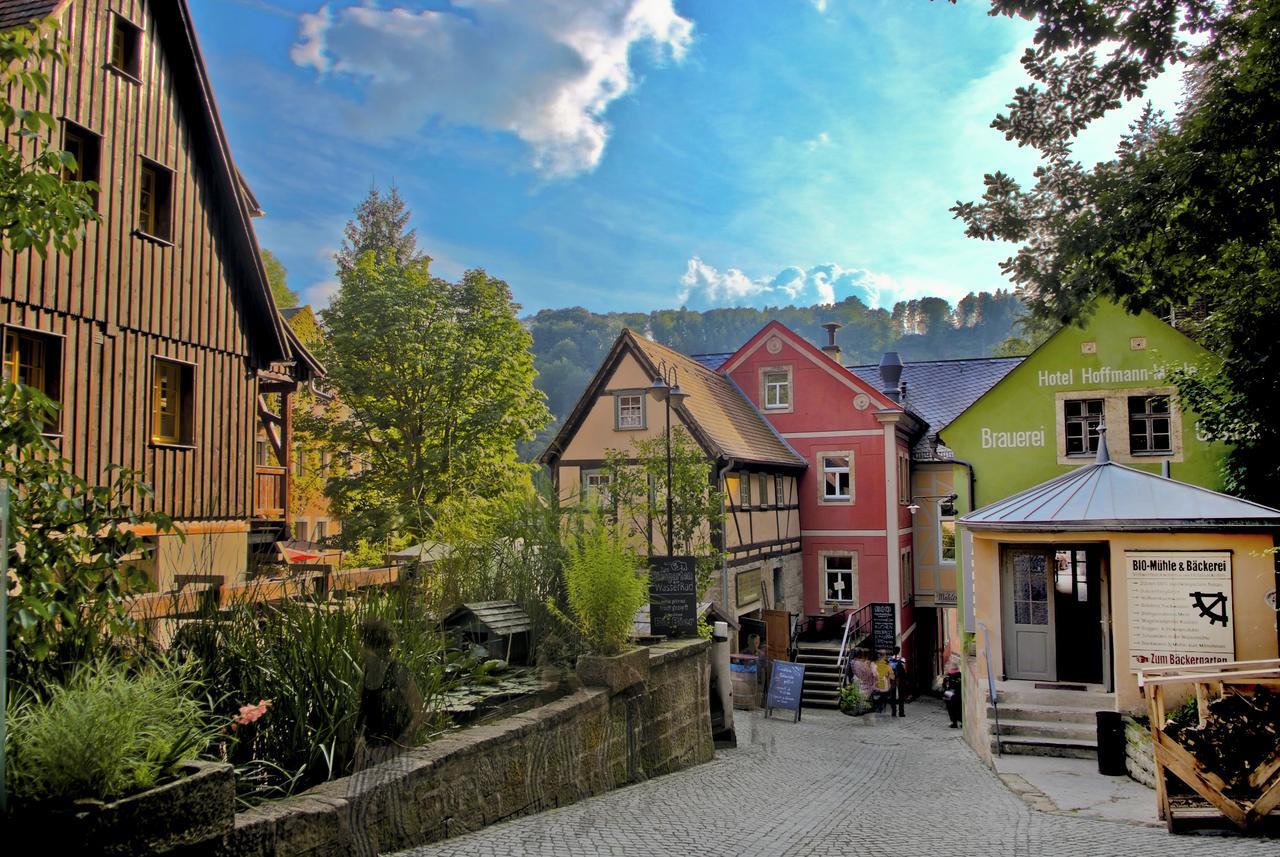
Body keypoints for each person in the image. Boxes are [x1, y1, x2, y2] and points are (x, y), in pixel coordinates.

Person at [887, 645, 907, 718]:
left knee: (892, 696)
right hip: (900, 679)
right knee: (901, 695)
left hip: (892, 679)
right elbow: (905, 669)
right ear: (899, 651)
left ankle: (893, 712)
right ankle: (901, 712)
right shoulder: (902, 659)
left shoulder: (889, 659)